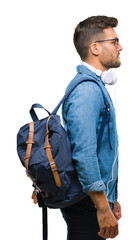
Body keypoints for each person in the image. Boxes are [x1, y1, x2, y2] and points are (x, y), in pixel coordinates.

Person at [61, 16, 122, 240]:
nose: (120, 47)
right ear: (95, 48)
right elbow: (85, 154)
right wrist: (102, 206)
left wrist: (111, 198)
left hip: (93, 200)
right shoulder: (87, 91)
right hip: (87, 202)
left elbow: (102, 150)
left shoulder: (94, 87)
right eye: (114, 41)